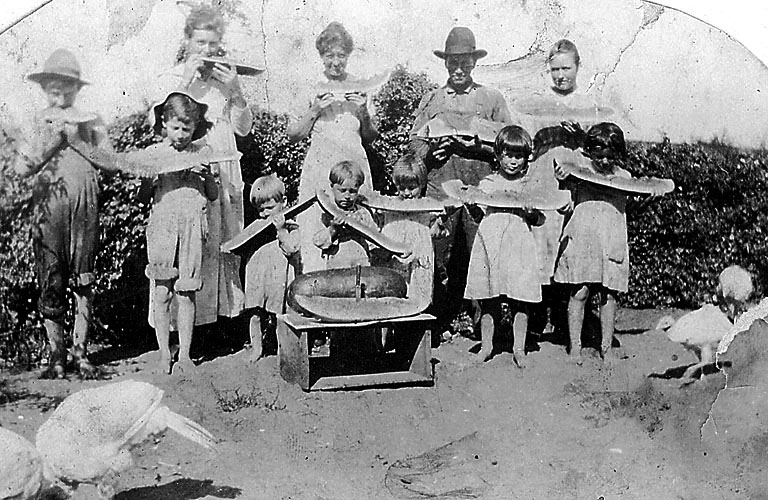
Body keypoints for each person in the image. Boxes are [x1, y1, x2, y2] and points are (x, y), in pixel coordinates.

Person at [14, 48, 113, 379]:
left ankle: (81, 353)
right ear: (44, 87)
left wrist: (78, 142)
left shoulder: (91, 120)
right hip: (49, 206)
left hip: (84, 202)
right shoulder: (36, 122)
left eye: (66, 87)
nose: (59, 93)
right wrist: (49, 144)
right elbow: (21, 169)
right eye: (53, 87)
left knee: (83, 280)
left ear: (77, 87)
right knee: (51, 276)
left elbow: (111, 162)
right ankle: (56, 356)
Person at [407, 26, 511, 332]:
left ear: (474, 63)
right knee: (437, 252)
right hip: (441, 185)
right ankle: (434, 321)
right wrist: (429, 152)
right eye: (453, 62)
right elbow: (414, 141)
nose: (459, 69)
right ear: (445, 64)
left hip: (480, 185)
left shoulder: (491, 98)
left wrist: (475, 146)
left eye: (465, 62)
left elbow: (511, 142)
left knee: (480, 250)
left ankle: (483, 324)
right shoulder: (432, 98)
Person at [157, 5, 252, 324]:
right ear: (187, 42)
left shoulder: (225, 79)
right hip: (190, 172)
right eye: (200, 43)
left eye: (212, 44)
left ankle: (224, 318)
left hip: (224, 168)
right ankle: (187, 327)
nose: (207, 51)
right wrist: (184, 80)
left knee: (225, 240)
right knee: (192, 244)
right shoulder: (172, 77)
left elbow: (243, 128)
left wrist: (236, 91)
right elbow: (160, 126)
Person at [287, 21, 379, 273]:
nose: (335, 62)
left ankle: (355, 291)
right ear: (321, 56)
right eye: (329, 56)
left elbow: (371, 136)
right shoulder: (311, 86)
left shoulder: (359, 85)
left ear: (348, 55)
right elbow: (293, 134)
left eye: (341, 55)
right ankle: (314, 290)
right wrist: (314, 110)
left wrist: (363, 111)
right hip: (321, 165)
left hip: (354, 166)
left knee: (357, 229)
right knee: (316, 227)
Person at [143, 91, 218, 375]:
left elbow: (212, 196)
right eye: (176, 128)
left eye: (187, 129)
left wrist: (207, 175)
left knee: (186, 294)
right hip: (162, 229)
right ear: (164, 123)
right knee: (161, 292)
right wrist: (151, 180)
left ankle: (185, 354)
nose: (181, 134)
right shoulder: (155, 154)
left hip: (191, 229)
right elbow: (143, 197)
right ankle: (164, 353)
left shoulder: (203, 153)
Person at [553, 122, 634, 364]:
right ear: (589, 152)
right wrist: (562, 183)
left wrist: (650, 197)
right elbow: (564, 201)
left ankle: (606, 348)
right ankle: (575, 347)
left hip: (611, 240)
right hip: (583, 240)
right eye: (599, 157)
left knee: (609, 295)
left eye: (610, 157)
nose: (605, 162)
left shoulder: (625, 177)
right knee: (580, 291)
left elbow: (630, 207)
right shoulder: (577, 171)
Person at [463, 126, 543, 367]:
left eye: (519, 156)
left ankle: (519, 348)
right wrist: (471, 204)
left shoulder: (530, 185)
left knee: (521, 299)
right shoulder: (487, 183)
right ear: (498, 155)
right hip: (491, 243)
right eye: (508, 155)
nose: (513, 161)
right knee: (489, 297)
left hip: (519, 245)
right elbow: (478, 215)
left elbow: (539, 219)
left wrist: (530, 211)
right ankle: (487, 345)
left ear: (526, 157)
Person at [243, 174, 300, 362]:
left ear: (283, 202)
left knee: (279, 316)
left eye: (269, 208)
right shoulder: (258, 225)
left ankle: (282, 349)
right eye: (260, 210)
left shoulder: (289, 226)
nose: (265, 214)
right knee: (255, 314)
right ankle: (256, 348)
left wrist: (281, 230)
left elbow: (292, 248)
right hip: (258, 278)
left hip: (278, 280)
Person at [312, 160, 377, 270]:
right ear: (332, 187)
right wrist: (333, 228)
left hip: (361, 262)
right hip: (338, 264)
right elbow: (318, 241)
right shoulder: (328, 213)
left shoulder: (362, 213)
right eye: (342, 191)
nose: (347, 196)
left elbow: (374, 237)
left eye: (352, 191)